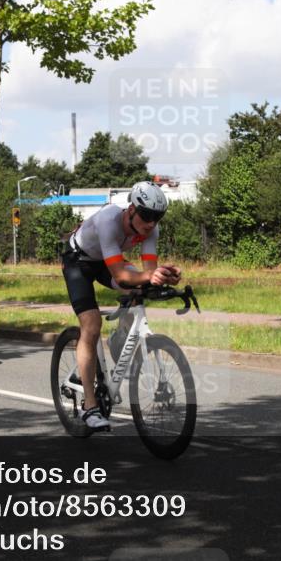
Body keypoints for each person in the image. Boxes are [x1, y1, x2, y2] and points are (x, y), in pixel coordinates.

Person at [60, 181, 181, 432]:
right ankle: (89, 406)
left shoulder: (150, 230)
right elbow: (122, 276)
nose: (151, 223)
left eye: (157, 218)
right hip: (78, 262)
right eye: (146, 216)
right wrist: (150, 276)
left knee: (141, 289)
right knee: (91, 325)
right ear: (131, 210)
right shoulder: (108, 221)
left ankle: (120, 338)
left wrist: (163, 276)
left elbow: (147, 273)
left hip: (104, 261)